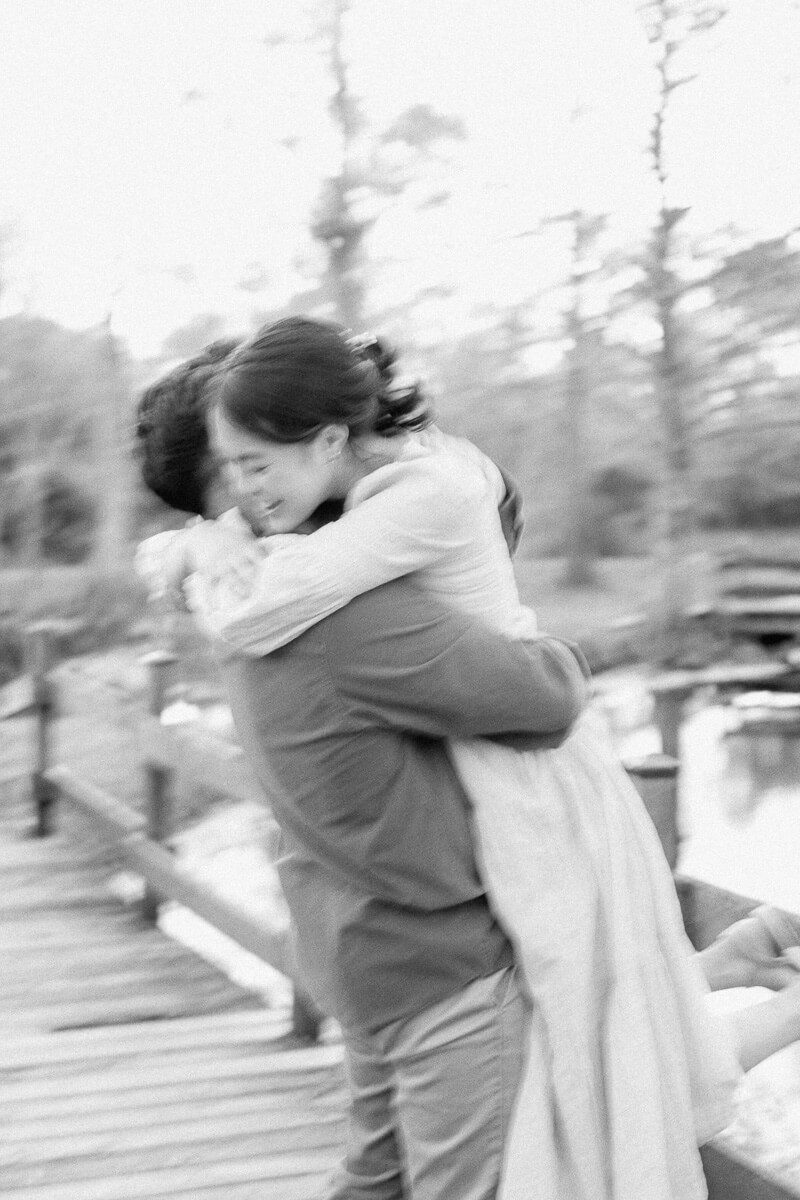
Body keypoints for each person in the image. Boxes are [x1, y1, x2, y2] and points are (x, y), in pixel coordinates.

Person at [136, 331, 800, 1200]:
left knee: (379, 1176)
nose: (265, 493)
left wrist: (194, 546)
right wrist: (561, 654)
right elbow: (544, 699)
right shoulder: (336, 616)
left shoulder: (233, 592)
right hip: (439, 966)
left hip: (356, 942)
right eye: (244, 470)